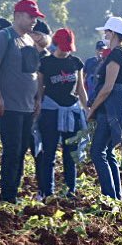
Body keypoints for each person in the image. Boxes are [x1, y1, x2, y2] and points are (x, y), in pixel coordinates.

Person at [0, 0, 49, 203]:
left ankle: (12, 193)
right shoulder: (4, 36)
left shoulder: (30, 40)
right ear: (18, 15)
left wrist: (38, 98)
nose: (34, 21)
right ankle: (6, 196)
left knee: (22, 150)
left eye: (36, 17)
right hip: (9, 105)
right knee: (12, 150)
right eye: (31, 16)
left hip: (27, 106)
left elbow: (34, 72)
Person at [34, 28, 88, 198]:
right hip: (50, 111)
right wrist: (37, 107)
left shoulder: (76, 62)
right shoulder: (45, 63)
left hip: (72, 111)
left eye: (68, 47)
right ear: (56, 43)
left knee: (70, 154)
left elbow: (80, 88)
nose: (66, 50)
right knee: (48, 152)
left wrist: (87, 108)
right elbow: (40, 88)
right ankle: (47, 192)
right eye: (63, 46)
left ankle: (70, 190)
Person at [86, 17, 122, 199]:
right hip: (117, 107)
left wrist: (91, 110)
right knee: (107, 151)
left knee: (97, 152)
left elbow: (107, 88)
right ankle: (116, 197)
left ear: (113, 33)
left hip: (110, 110)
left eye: (106, 32)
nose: (105, 35)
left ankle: (109, 197)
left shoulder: (115, 55)